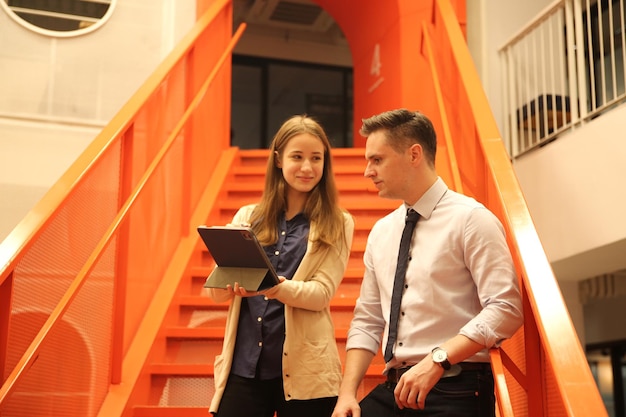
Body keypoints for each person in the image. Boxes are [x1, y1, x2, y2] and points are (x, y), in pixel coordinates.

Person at [331, 109, 523, 417]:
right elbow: (367, 320)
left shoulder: (471, 219)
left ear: (414, 154)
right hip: (395, 388)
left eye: (377, 160)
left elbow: (506, 308)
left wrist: (437, 359)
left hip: (456, 385)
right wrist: (347, 394)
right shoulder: (382, 232)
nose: (367, 171)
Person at [208, 114, 355, 417]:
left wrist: (275, 287)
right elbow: (217, 295)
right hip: (244, 367)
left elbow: (321, 294)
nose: (307, 167)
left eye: (316, 158)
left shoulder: (338, 222)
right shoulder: (247, 217)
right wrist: (229, 281)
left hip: (308, 374)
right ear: (278, 160)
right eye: (297, 157)